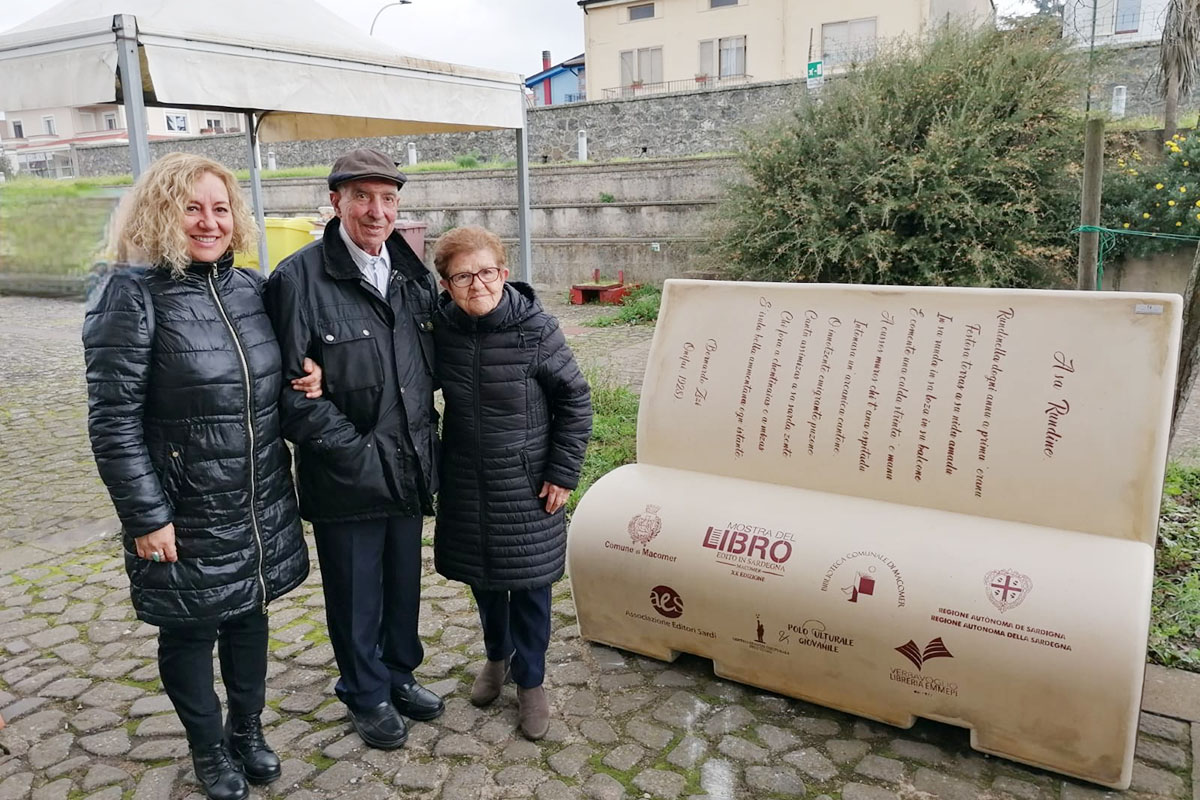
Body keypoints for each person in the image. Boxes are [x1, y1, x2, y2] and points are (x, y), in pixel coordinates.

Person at [82, 153, 318, 800]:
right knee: (190, 628)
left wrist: (310, 376)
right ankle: (209, 749)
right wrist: (145, 515)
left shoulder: (249, 287)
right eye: (192, 207)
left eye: (220, 208)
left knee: (249, 614)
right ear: (162, 212)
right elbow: (113, 421)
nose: (209, 222)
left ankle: (248, 731)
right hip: (183, 506)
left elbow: (273, 377)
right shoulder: (128, 295)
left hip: (256, 493)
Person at [263, 148, 443, 750]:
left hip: (409, 461)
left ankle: (398, 673)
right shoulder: (298, 278)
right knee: (355, 589)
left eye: (387, 198)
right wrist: (355, 451)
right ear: (335, 202)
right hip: (348, 469)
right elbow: (289, 394)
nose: (376, 210)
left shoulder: (414, 272)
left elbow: (431, 361)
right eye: (362, 196)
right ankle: (364, 692)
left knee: (402, 583)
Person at [430, 226, 592, 740]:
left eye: (486, 272)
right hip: (467, 482)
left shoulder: (536, 330)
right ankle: (496, 659)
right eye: (462, 276)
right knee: (485, 581)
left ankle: (532, 681)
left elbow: (575, 402)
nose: (477, 284)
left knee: (529, 587)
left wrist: (563, 473)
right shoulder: (441, 329)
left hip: (527, 485)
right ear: (446, 285)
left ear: (503, 273)